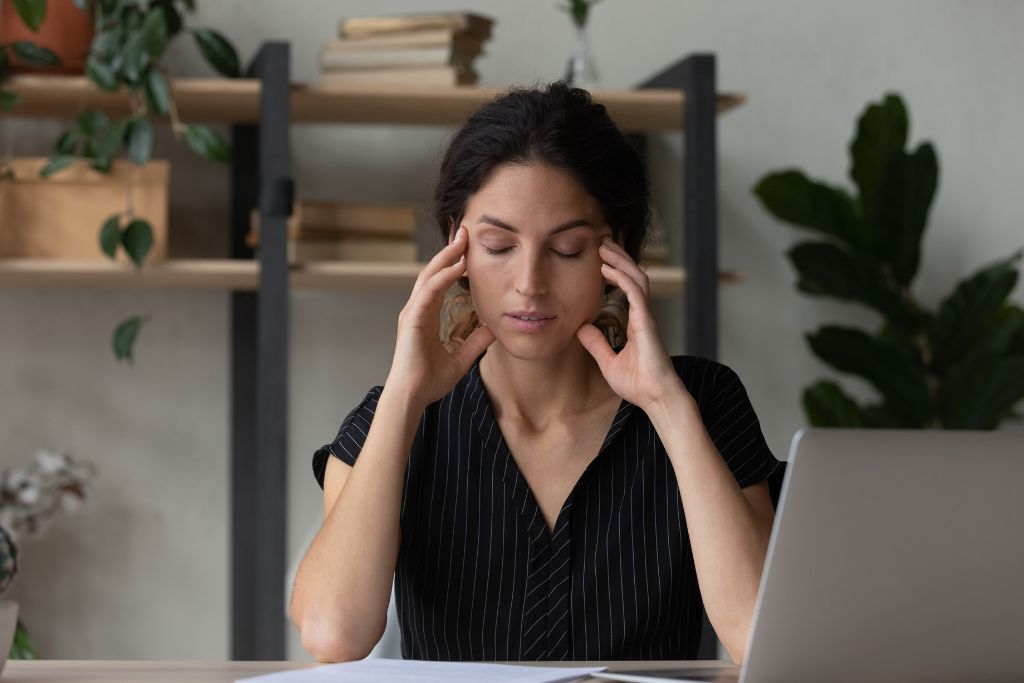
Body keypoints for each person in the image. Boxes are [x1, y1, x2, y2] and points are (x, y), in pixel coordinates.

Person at [289, 82, 782, 664]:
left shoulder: (702, 400)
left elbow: (762, 638)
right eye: (498, 246)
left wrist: (666, 407)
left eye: (567, 249)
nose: (529, 283)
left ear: (616, 250)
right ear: (457, 249)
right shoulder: (394, 416)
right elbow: (331, 635)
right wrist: (403, 396)